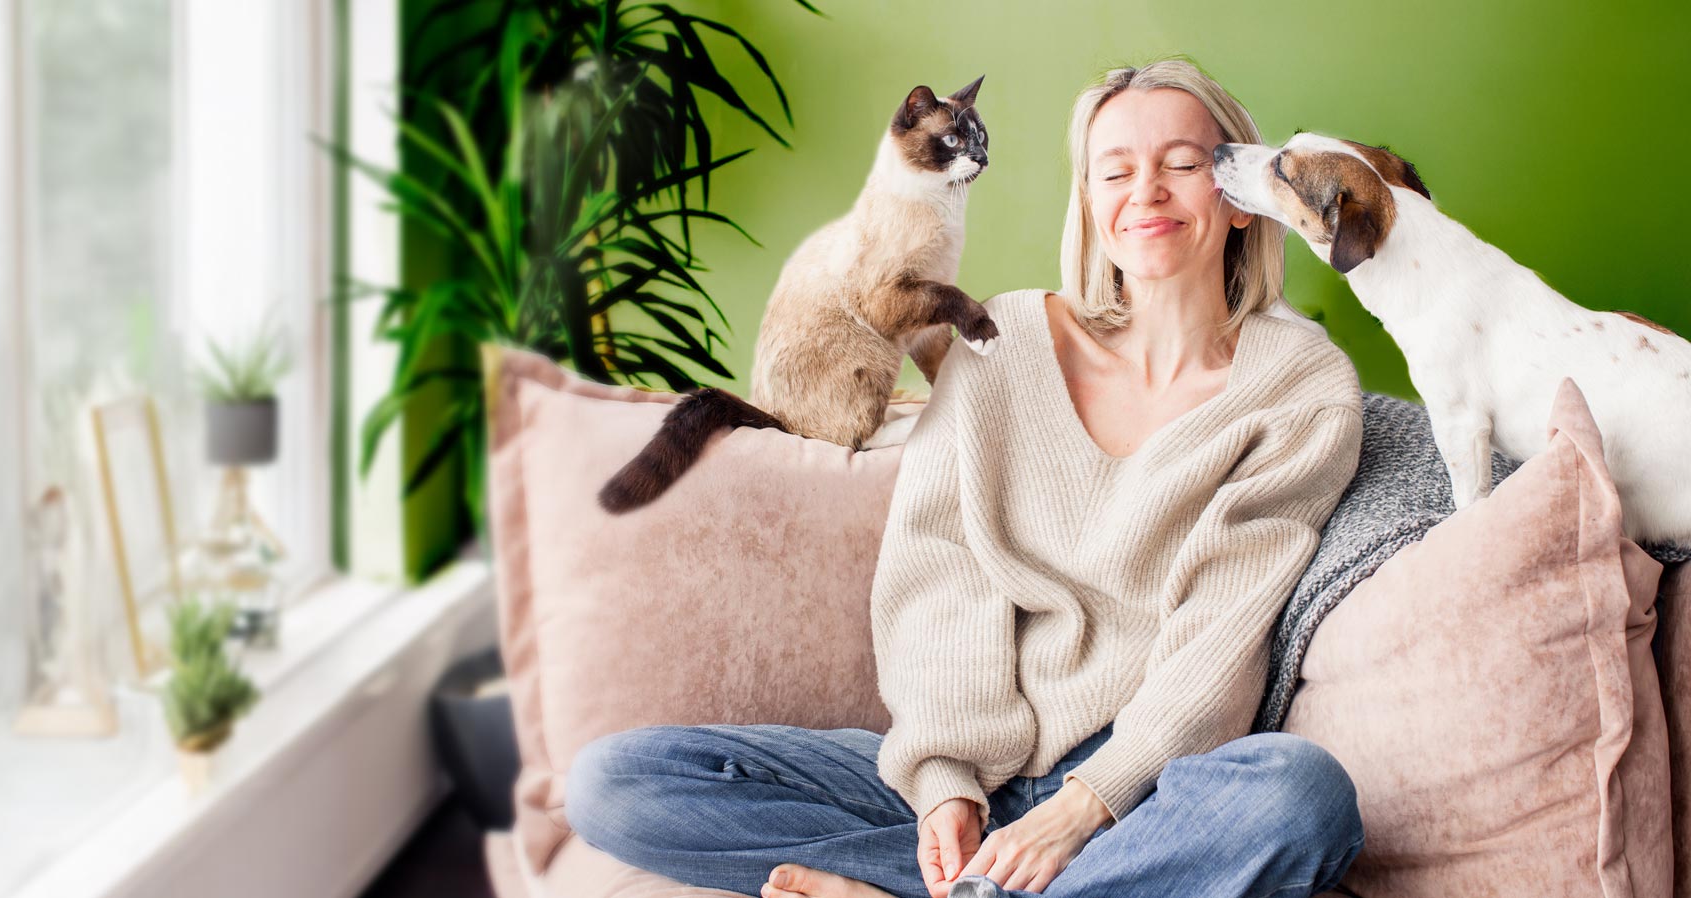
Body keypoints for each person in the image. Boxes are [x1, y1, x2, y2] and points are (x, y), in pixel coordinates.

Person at [562, 58, 1368, 898]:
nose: (1147, 193)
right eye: (1116, 171)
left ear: (1235, 192)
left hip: (1142, 791)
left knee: (1304, 797)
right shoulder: (1002, 339)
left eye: (1183, 164)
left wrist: (1084, 808)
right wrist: (946, 780)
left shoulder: (1299, 387)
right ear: (1091, 204)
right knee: (616, 782)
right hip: (976, 769)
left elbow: (1224, 629)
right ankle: (1001, 885)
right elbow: (941, 569)